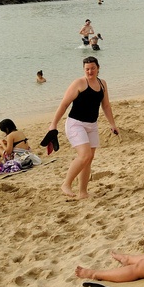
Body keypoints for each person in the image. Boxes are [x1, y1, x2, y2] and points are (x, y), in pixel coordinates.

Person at [48, 56, 118, 198]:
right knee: (84, 155)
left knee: (89, 158)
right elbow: (64, 104)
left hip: (92, 125)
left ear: (98, 68)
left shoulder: (102, 84)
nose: (90, 71)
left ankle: (83, 192)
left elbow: (106, 105)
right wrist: (53, 124)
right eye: (87, 69)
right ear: (83, 69)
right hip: (75, 124)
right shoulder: (79, 83)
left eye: (92, 68)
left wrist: (112, 124)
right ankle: (66, 184)